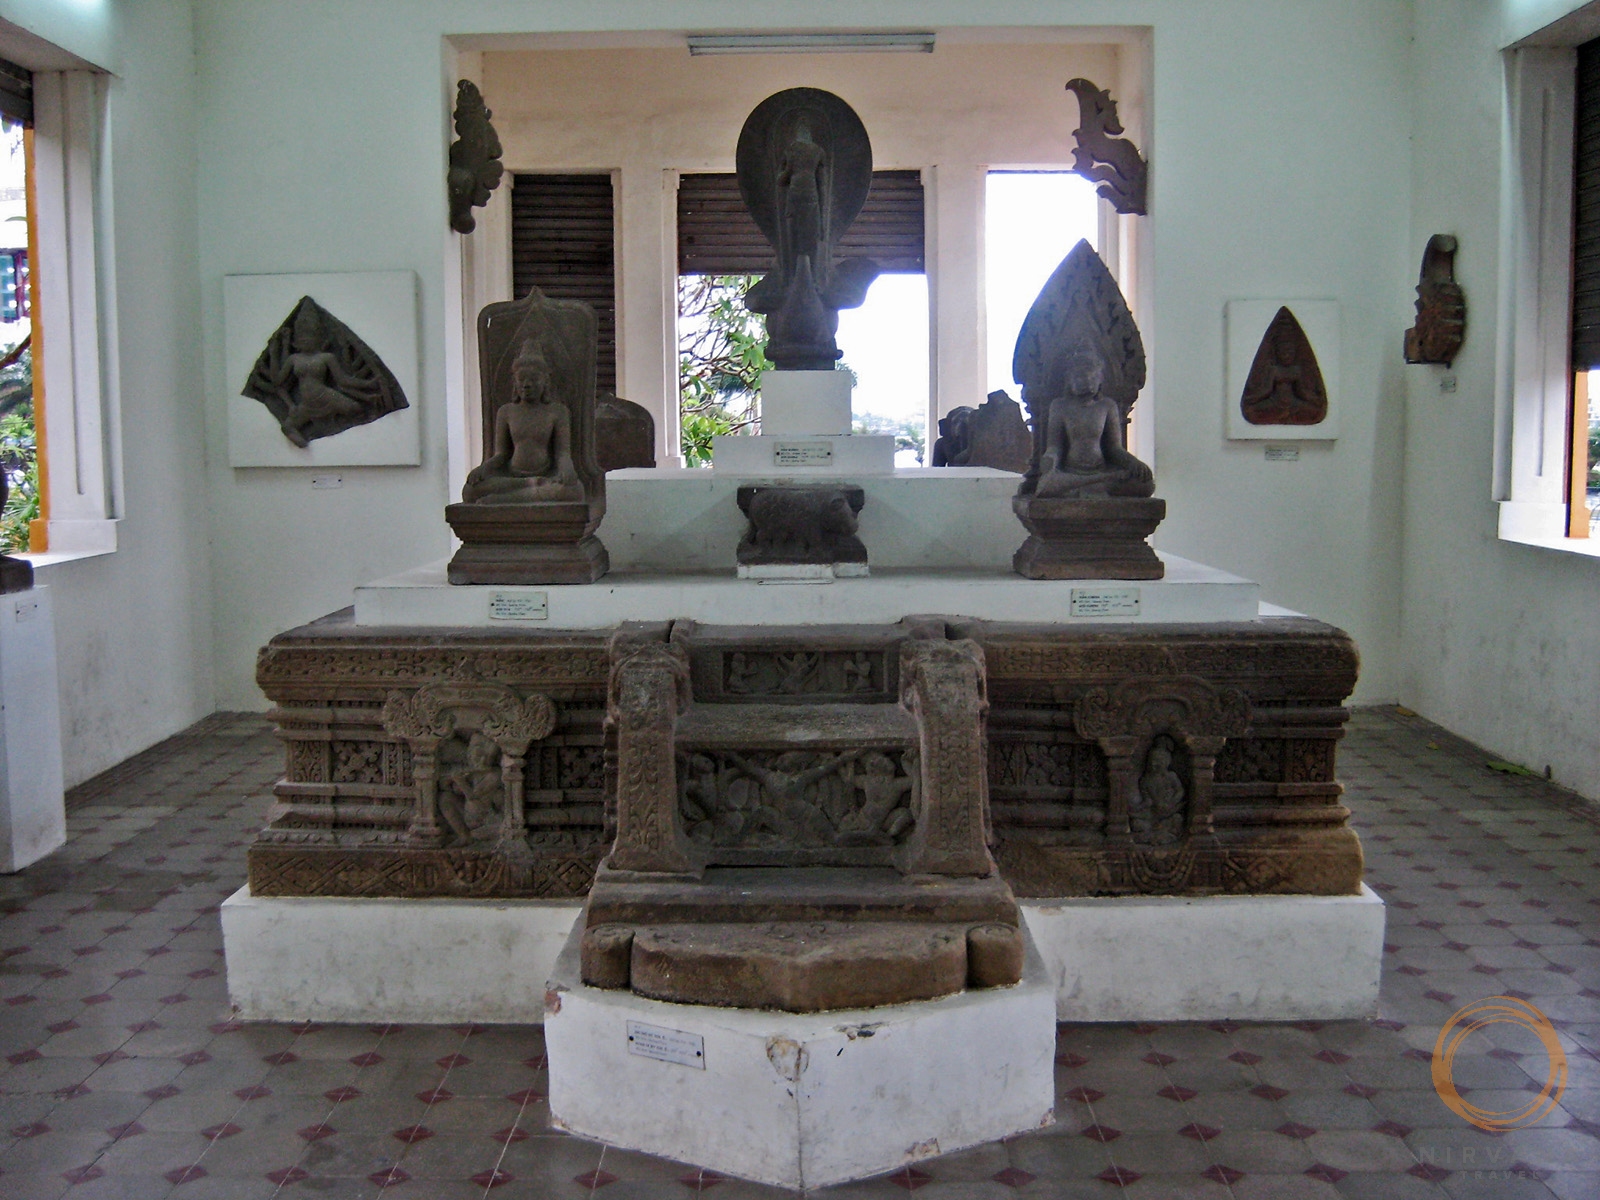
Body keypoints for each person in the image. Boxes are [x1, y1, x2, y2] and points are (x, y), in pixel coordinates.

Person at [462, 338, 583, 504]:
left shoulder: (557, 412)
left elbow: (562, 453)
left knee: (574, 491)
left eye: (534, 379)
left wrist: (567, 468)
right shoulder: (506, 412)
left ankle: (504, 499)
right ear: (515, 383)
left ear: (545, 382)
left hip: (547, 476)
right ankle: (530, 485)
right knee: (469, 491)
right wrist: (483, 469)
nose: (527, 384)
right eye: (522, 379)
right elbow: (501, 454)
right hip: (512, 478)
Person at [1033, 348, 1154, 498]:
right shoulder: (1060, 406)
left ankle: (1083, 488)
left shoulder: (1107, 406)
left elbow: (1114, 448)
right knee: (1046, 485)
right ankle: (1092, 487)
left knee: (1147, 485)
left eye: (1092, 377)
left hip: (1101, 470)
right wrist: (1050, 459)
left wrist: (1133, 463)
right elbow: (1055, 446)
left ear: (1100, 379)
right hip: (1070, 471)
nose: (1087, 382)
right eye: (1079, 377)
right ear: (1069, 380)